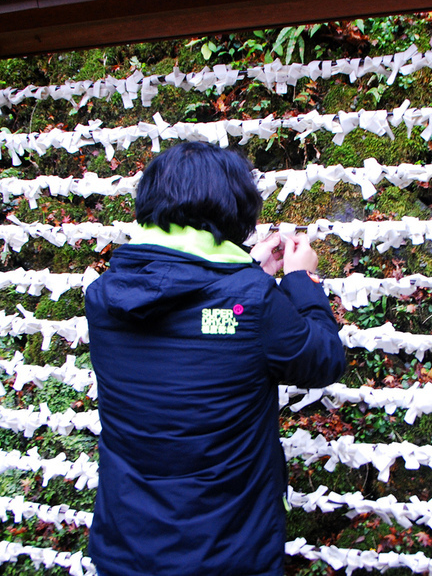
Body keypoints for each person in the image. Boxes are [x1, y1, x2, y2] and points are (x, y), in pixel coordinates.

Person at [85, 142, 346, 576]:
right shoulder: (252, 300)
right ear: (235, 209)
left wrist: (244, 271)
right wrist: (301, 280)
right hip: (228, 550)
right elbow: (321, 360)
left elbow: (198, 319)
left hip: (127, 544)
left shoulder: (105, 295)